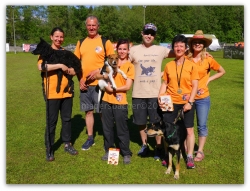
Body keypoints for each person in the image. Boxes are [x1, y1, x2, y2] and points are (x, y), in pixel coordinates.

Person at [129, 23, 175, 161]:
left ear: (154, 36)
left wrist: (201, 54)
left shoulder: (161, 50)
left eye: (152, 34)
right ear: (141, 33)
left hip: (156, 93)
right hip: (138, 93)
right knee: (141, 122)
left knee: (156, 122)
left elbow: (180, 53)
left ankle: (158, 147)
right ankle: (144, 145)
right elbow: (122, 63)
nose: (149, 35)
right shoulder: (133, 50)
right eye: (147, 32)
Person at [37, 27, 78, 161]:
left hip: (67, 93)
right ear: (51, 37)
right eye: (56, 36)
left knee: (66, 120)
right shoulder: (46, 52)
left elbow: (74, 70)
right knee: (51, 122)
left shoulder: (66, 53)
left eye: (61, 37)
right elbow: (42, 67)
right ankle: (49, 148)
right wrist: (60, 65)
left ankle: (67, 144)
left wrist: (72, 70)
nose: (59, 39)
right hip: (52, 93)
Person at [74, 15, 115, 151]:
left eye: (94, 25)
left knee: (103, 112)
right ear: (86, 26)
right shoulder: (81, 42)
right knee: (88, 111)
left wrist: (98, 69)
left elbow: (112, 62)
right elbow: (75, 63)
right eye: (89, 25)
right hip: (85, 85)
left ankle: (108, 139)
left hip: (101, 84)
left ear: (98, 26)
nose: (91, 27)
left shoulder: (105, 42)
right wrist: (80, 79)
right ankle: (90, 138)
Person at [158, 34, 199, 169]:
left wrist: (190, 102)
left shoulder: (192, 65)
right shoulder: (169, 65)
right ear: (173, 48)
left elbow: (195, 86)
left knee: (189, 130)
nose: (179, 48)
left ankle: (189, 156)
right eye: (176, 46)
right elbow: (165, 83)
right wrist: (160, 96)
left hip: (186, 102)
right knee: (167, 130)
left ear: (186, 48)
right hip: (170, 102)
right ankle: (166, 154)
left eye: (181, 46)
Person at [187, 30, 225, 161]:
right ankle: (188, 148)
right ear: (191, 44)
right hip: (188, 98)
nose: (197, 44)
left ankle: (200, 151)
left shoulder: (208, 59)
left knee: (201, 125)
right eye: (195, 42)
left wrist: (209, 80)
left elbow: (222, 71)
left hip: (203, 98)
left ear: (204, 45)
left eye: (200, 43)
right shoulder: (186, 58)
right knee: (188, 125)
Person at [96, 39, 134, 164]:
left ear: (128, 51)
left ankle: (126, 153)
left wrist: (114, 89)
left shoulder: (130, 66)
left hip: (120, 101)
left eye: (124, 49)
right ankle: (109, 150)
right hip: (106, 100)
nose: (122, 51)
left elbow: (128, 86)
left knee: (121, 128)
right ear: (116, 50)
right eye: (120, 49)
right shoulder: (109, 64)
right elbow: (98, 76)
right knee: (107, 128)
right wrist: (105, 83)